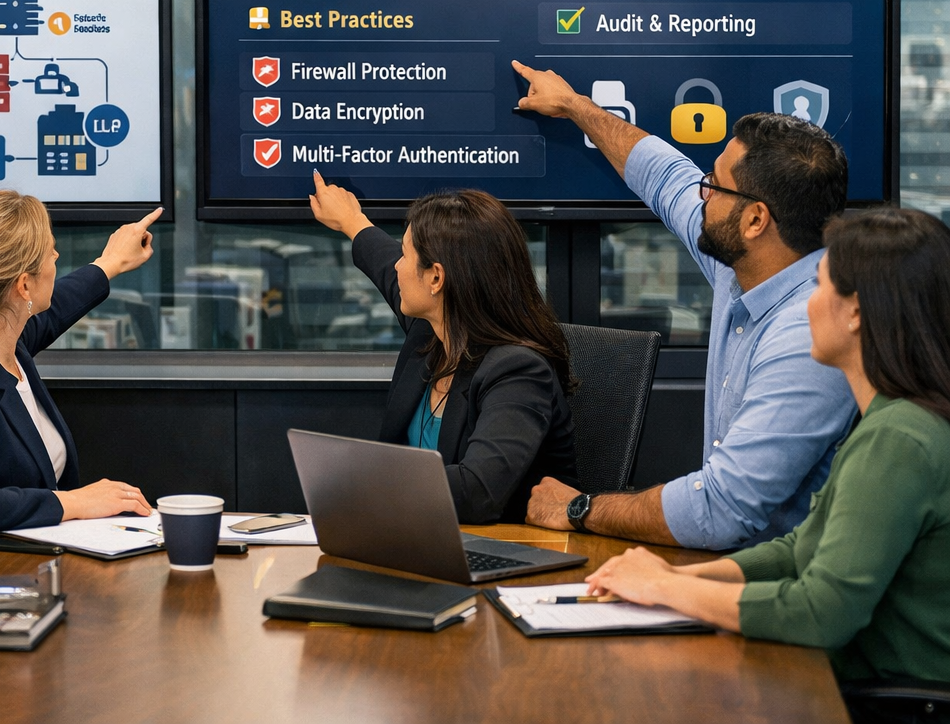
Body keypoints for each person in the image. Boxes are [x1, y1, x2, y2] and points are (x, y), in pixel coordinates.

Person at [584, 209, 950, 709]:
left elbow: (820, 612)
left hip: (890, 704)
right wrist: (673, 578)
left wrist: (666, 591)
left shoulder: (898, 439)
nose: (807, 308)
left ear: (857, 312)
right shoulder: (888, 421)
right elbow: (800, 548)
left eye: (819, 288)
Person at [514, 61, 856, 550]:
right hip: (726, 572)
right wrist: (573, 106)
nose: (701, 193)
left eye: (714, 185)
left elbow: (721, 511)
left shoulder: (810, 335)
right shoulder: (745, 264)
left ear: (756, 220)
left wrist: (578, 508)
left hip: (777, 595)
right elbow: (664, 176)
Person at [309, 172, 578, 523]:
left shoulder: (518, 371)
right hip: (424, 536)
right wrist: (352, 221)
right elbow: (384, 266)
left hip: (504, 551)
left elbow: (477, 491)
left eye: (406, 256)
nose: (398, 267)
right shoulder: (430, 332)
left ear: (436, 277)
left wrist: (360, 478)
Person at [0, 192, 163, 535]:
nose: (56, 256)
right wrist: (73, 502)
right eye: (50, 251)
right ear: (24, 285)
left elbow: (60, 304)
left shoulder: (8, 343)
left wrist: (110, 262)